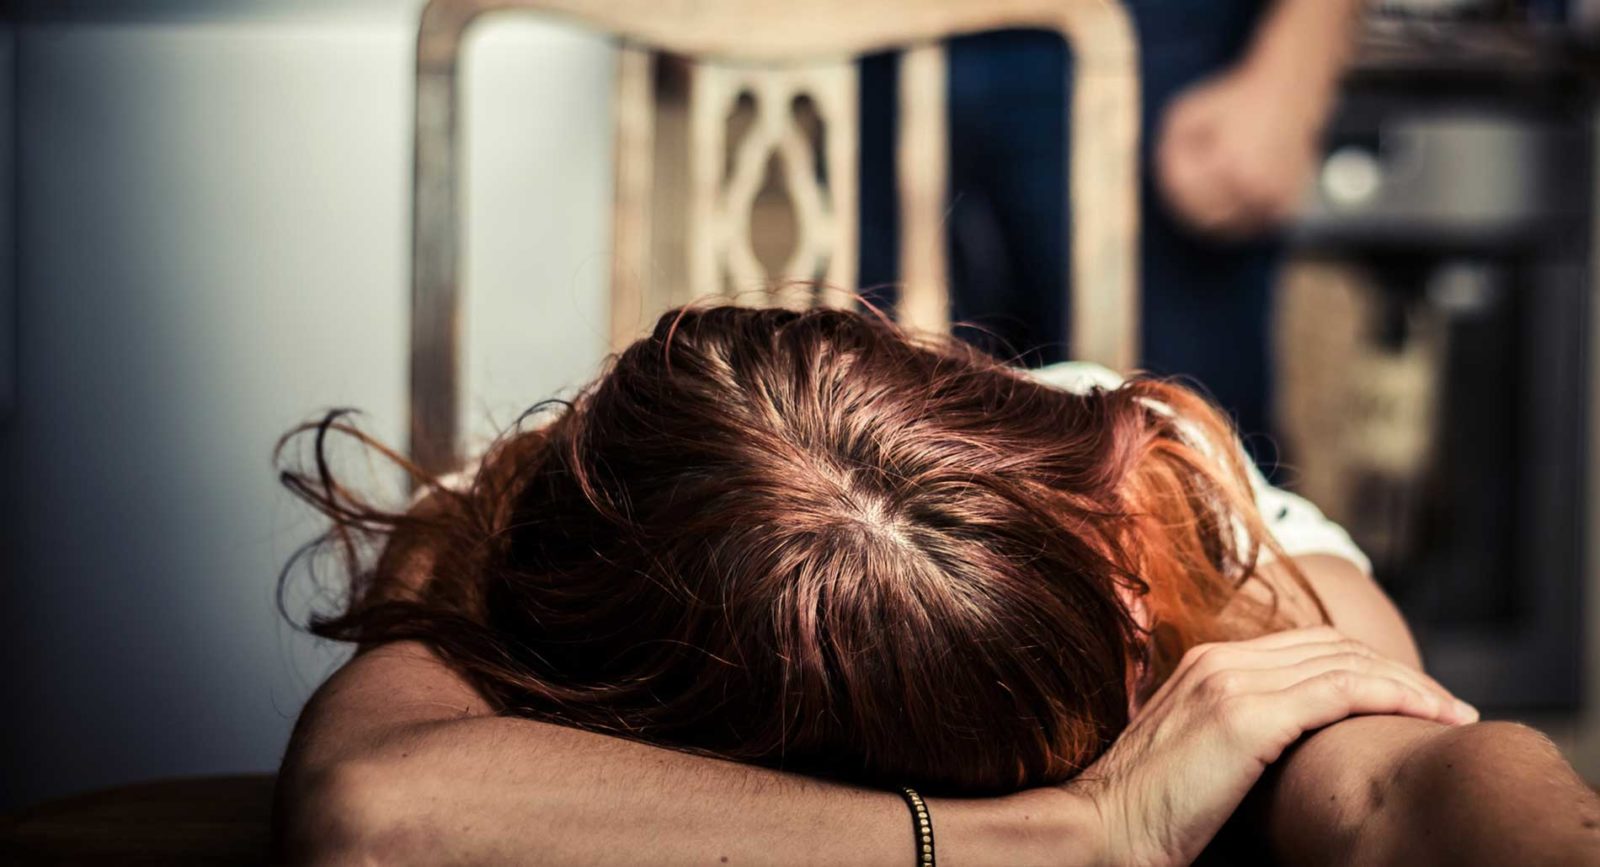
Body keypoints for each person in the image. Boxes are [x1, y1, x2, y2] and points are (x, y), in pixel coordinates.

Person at [273, 303, 1600, 866]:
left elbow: (1394, 783)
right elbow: (376, 809)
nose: (1145, 621)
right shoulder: (525, 545)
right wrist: (1072, 831)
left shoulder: (1180, 502)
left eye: (1108, 578)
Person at [860, 0, 1366, 459]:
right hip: (876, 46)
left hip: (1155, 45)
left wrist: (1294, 69)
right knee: (880, 443)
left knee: (1184, 463)